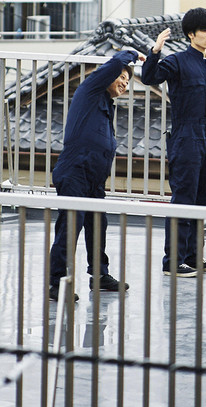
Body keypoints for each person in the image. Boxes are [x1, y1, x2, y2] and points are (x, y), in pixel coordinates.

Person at [141, 8, 206, 277]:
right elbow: (149, 77)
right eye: (204, 30)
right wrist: (156, 50)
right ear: (191, 34)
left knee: (202, 199)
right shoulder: (177, 62)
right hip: (185, 137)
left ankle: (193, 257)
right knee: (183, 198)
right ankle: (172, 261)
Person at [48, 48, 139, 301]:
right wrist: (130, 55)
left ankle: (99, 275)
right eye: (121, 77)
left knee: (98, 225)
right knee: (70, 226)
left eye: (128, 80)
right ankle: (55, 283)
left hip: (94, 178)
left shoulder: (106, 106)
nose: (124, 82)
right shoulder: (89, 90)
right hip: (75, 171)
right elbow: (112, 65)